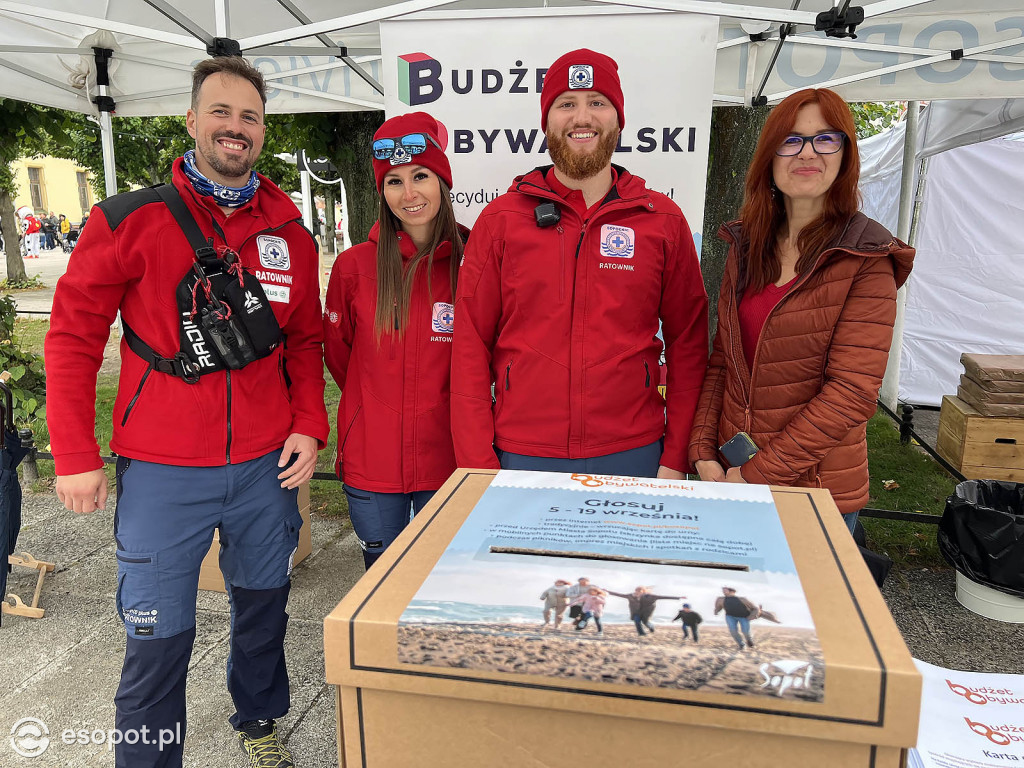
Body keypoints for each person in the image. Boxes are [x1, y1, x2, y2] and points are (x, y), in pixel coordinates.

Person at [45, 56, 328, 768]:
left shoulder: (289, 230)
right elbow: (72, 341)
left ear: (263, 131)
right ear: (194, 120)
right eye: (222, 113)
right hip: (164, 469)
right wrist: (75, 455)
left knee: (263, 609)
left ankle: (260, 717)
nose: (236, 128)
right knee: (156, 637)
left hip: (267, 466)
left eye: (250, 117)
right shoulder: (127, 219)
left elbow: (304, 339)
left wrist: (309, 422)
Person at [452, 49, 708, 479]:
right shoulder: (500, 221)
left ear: (618, 119)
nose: (582, 116)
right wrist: (476, 465)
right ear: (547, 121)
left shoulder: (661, 220)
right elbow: (469, 345)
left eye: (597, 102)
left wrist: (675, 455)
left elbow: (689, 342)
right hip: (521, 453)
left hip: (635, 450)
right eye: (566, 103)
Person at [688, 88, 914, 534]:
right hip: (734, 475)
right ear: (769, 159)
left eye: (825, 139)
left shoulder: (866, 256)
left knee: (805, 605)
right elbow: (723, 362)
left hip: (812, 489)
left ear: (845, 154)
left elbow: (850, 394)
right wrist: (701, 449)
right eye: (791, 140)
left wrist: (756, 476)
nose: (807, 152)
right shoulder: (748, 247)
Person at [324, 112, 466, 571]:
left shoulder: (474, 262)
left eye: (421, 176)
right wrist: (373, 404)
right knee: (381, 572)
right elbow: (340, 353)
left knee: (439, 573)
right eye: (394, 181)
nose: (409, 194)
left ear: (442, 181)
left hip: (449, 456)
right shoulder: (354, 267)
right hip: (373, 455)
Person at [607, 586, 683, 636]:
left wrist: (678, 597)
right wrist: (607, 591)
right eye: (637, 591)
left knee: (645, 622)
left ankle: (651, 627)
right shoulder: (630, 596)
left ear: (643, 592)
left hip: (646, 612)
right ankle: (642, 634)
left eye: (640, 591)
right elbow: (619, 595)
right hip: (636, 612)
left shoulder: (650, 597)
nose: (638, 593)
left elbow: (663, 597)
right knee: (637, 621)